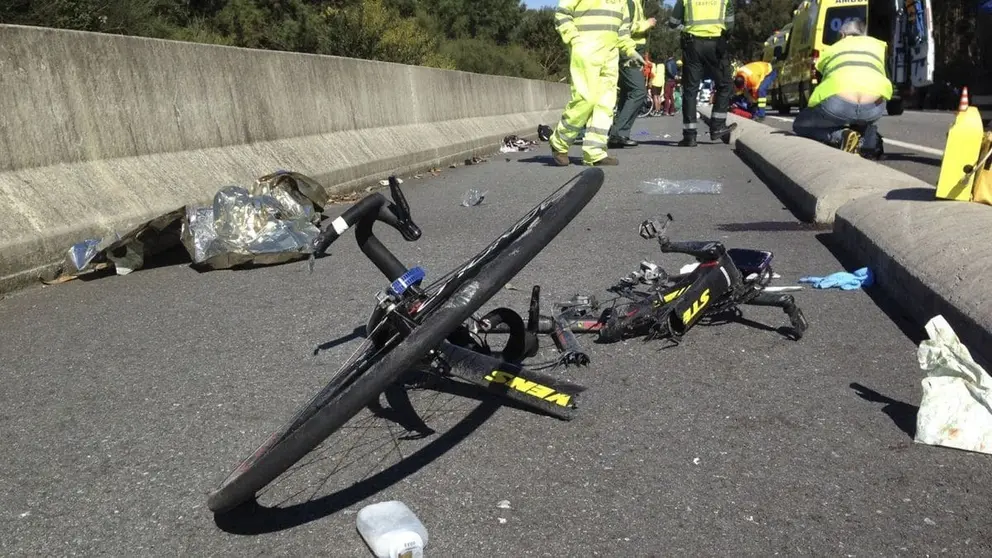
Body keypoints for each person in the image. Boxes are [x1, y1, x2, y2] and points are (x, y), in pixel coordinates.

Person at [550, 0, 644, 166]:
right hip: (586, 50)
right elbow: (562, 12)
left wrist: (630, 51)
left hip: (610, 55)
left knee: (605, 104)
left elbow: (622, 30)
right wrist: (574, 39)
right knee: (586, 100)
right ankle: (559, 142)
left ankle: (595, 152)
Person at [792, 18, 892, 157]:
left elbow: (822, 75)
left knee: (800, 125)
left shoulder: (831, 49)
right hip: (873, 108)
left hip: (838, 106)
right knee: (861, 116)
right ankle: (869, 140)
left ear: (843, 35)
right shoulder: (880, 46)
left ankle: (841, 135)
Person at [668, 0, 737, 147]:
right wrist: (724, 36)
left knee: (690, 90)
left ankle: (689, 136)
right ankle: (717, 127)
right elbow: (730, 24)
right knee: (724, 85)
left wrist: (686, 26)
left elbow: (673, 22)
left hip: (692, 45)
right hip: (716, 45)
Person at [607, 0, 657, 149]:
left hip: (632, 50)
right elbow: (625, 27)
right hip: (630, 50)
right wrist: (647, 24)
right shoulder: (629, 2)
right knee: (638, 91)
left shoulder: (635, 2)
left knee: (627, 93)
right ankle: (618, 133)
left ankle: (618, 134)